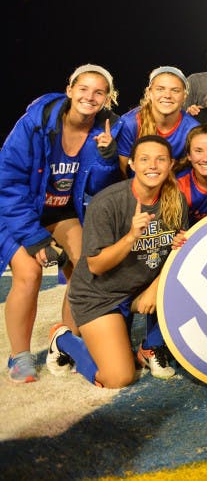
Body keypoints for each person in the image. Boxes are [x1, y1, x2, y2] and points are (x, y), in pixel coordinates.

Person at [1, 64, 120, 383]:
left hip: (61, 213)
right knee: (29, 273)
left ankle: (63, 341)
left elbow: (98, 189)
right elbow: (8, 181)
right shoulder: (36, 122)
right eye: (83, 89)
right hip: (20, 210)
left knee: (87, 266)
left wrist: (107, 158)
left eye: (99, 92)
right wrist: (34, 238)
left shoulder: (106, 130)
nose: (90, 96)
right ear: (69, 90)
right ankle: (19, 356)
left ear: (106, 98)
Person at [47, 135, 187, 387]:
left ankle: (150, 347)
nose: (153, 165)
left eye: (160, 159)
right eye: (144, 159)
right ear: (132, 164)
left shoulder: (175, 200)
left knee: (190, 281)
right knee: (118, 377)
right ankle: (64, 340)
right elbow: (96, 265)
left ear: (171, 164)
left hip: (137, 289)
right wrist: (131, 237)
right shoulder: (107, 202)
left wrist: (155, 290)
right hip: (99, 295)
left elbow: (177, 250)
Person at [115, 66, 200, 174]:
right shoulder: (130, 123)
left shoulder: (192, 129)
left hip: (175, 186)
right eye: (160, 89)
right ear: (149, 92)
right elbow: (122, 172)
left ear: (184, 96)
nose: (167, 95)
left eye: (175, 90)